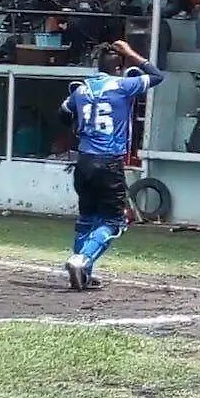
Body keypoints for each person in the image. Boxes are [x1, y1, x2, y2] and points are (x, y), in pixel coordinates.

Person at [58, 40, 164, 291]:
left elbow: (63, 114)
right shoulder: (123, 85)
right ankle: (81, 260)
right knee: (115, 221)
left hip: (83, 162)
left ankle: (83, 273)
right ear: (119, 67)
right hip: (108, 163)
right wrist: (131, 52)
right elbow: (157, 76)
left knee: (87, 219)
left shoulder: (81, 90)